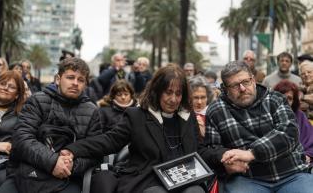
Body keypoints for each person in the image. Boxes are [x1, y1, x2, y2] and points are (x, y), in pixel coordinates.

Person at [61, 64, 210, 193]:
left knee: (195, 191)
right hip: (148, 180)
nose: (173, 99)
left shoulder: (188, 116)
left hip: (184, 179)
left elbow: (200, 149)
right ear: (157, 91)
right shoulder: (137, 116)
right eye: (168, 92)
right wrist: (74, 149)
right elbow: (109, 141)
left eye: (178, 94)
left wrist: (223, 156)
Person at [203, 61, 313, 193]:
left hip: (291, 173)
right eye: (234, 86)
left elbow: (288, 134)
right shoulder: (216, 111)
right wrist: (225, 162)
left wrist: (251, 153)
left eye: (246, 82)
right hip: (247, 178)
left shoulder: (275, 99)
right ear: (225, 89)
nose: (242, 89)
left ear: (253, 80)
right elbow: (212, 149)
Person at [0, 58, 102, 193]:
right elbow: (22, 138)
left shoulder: (92, 111)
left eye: (81, 80)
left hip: (67, 177)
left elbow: (95, 151)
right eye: (70, 77)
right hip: (27, 172)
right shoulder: (37, 101)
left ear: (85, 85)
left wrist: (71, 166)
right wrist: (53, 162)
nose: (75, 83)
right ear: (58, 79)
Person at [274, 80, 313, 165]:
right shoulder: (269, 115)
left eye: (289, 98)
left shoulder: (300, 115)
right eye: (281, 97)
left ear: (294, 101)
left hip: (303, 163)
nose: (285, 101)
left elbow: (311, 140)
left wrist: (308, 156)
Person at [0, 71, 25, 187]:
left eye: (11, 87)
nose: (5, 88)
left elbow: (24, 142)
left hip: (7, 162)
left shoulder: (24, 114)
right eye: (2, 83)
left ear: (17, 94)